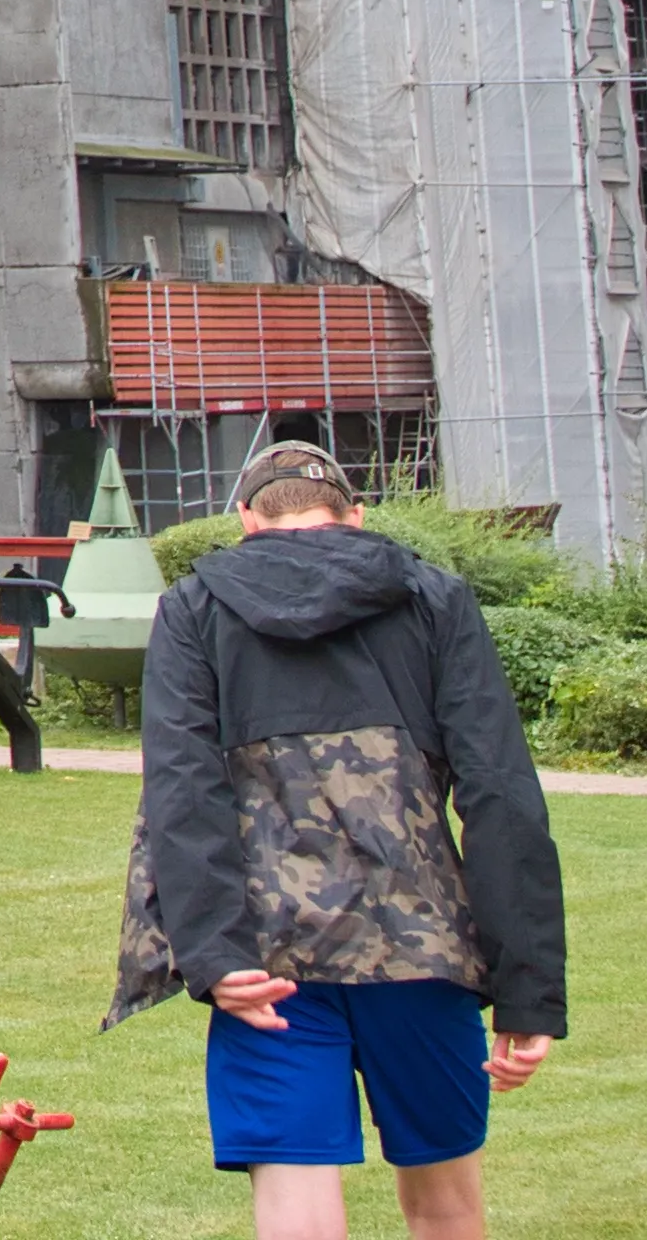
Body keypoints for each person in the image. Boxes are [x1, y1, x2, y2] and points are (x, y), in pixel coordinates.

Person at [109, 441, 565, 1240]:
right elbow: (500, 794)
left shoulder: (195, 607)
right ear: (355, 518)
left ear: (246, 521)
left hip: (269, 964)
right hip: (422, 952)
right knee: (448, 1205)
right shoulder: (433, 596)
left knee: (297, 1209)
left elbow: (183, 791)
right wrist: (528, 989)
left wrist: (216, 957)